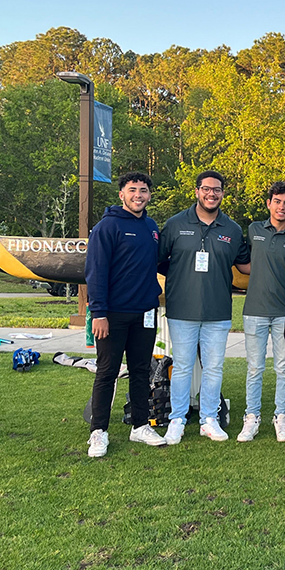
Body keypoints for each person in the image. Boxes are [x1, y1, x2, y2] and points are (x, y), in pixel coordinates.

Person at [158, 170, 250, 445]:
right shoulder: (175, 224)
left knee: (213, 368)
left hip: (217, 310)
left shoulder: (232, 229)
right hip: (182, 309)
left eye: (217, 190)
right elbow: (160, 260)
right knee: (183, 366)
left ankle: (209, 419)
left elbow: (245, 264)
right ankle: (177, 419)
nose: (212, 194)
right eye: (206, 189)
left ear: (223, 193)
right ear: (197, 191)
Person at [85, 172, 167, 457]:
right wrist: (99, 313)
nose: (138, 195)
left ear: (149, 195)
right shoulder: (107, 227)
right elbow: (96, 271)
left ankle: (140, 426)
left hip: (144, 311)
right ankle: (98, 432)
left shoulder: (151, 226)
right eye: (132, 190)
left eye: (143, 191)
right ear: (121, 194)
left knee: (141, 370)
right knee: (107, 372)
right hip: (112, 314)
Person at [237, 181, 285, 443]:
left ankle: (282, 417)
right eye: (277, 201)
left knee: (284, 368)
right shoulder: (254, 230)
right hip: (254, 310)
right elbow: (244, 265)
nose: (281, 207)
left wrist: (281, 277)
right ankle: (251, 418)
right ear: (269, 203)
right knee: (255, 368)